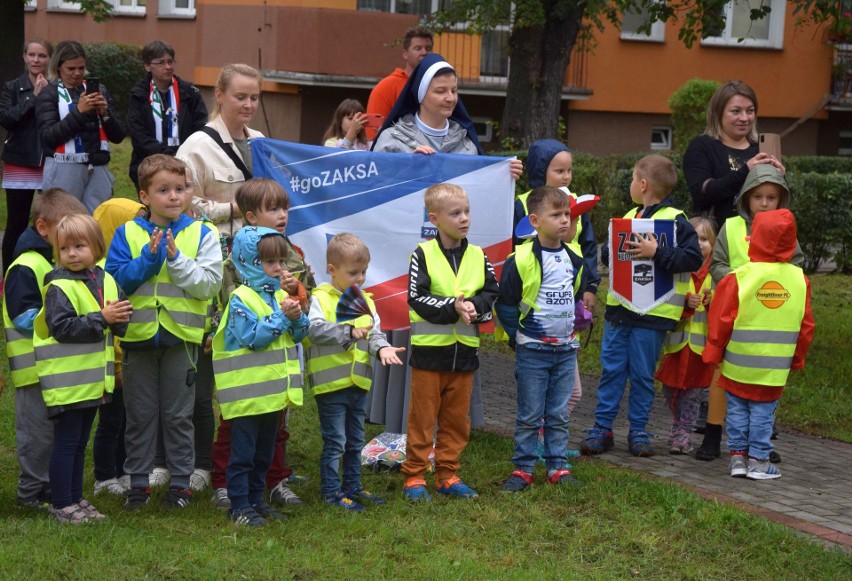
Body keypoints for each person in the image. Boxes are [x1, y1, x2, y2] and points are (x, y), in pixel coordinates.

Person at [369, 52, 521, 433]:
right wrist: (407, 165)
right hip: (405, 255)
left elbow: (479, 195)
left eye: (454, 90)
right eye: (440, 90)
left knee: (450, 325)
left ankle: (450, 423)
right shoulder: (393, 138)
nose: (450, 97)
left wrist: (507, 173)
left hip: (453, 262)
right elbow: (374, 188)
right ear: (421, 94)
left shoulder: (466, 144)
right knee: (411, 320)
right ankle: (398, 421)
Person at [105, 154, 223, 510]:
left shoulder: (203, 233)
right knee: (140, 415)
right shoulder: (126, 233)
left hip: (181, 341)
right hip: (139, 339)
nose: (174, 196)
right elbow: (115, 279)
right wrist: (149, 259)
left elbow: (209, 284)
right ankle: (138, 484)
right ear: (144, 196)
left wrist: (176, 260)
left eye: (181, 189)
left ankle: (181, 484)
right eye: (164, 190)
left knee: (177, 415)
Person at [579, 155, 703, 458]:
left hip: (653, 316)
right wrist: (612, 247)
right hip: (620, 312)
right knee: (612, 372)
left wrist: (656, 251)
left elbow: (692, 259)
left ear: (643, 184)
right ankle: (602, 429)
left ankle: (638, 432)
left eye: (634, 179)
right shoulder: (630, 215)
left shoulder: (677, 221)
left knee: (642, 376)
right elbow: (612, 258)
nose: (632, 184)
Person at [209, 178, 314, 510]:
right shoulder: (240, 285)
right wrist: (284, 316)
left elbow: (299, 325)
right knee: (240, 444)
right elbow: (248, 332)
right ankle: (234, 497)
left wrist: (295, 310)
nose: (279, 268)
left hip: (271, 386)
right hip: (245, 388)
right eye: (272, 263)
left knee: (267, 442)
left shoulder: (279, 277)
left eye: (285, 208)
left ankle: (263, 494)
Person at [696, 164, 804, 462]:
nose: (765, 203)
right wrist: (740, 279)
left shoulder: (785, 229)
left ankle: (760, 443)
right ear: (746, 198)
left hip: (769, 317)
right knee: (722, 375)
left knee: (766, 379)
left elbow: (795, 269)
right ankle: (713, 434)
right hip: (732, 315)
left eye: (772, 197)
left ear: (781, 200)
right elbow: (716, 265)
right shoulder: (731, 227)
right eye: (758, 197)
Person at [402, 183, 498, 501]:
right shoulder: (423, 253)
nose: (464, 218)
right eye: (455, 213)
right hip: (430, 354)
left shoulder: (478, 255)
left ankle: (447, 474)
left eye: (467, 211)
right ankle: (415, 476)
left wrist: (475, 306)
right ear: (435, 218)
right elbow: (417, 298)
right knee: (422, 417)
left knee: (457, 419)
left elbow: (490, 292)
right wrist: (452, 307)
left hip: (465, 353)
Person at [702, 209, 814, 480]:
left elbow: (721, 318)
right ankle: (759, 462)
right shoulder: (800, 280)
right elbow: (806, 326)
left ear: (754, 239)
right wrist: (797, 358)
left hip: (737, 363)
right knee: (763, 414)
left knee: (738, 411)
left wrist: (714, 352)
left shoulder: (738, 277)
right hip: (774, 368)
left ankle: (738, 460)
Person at [34, 213, 132, 523]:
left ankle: (75, 497)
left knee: (78, 443)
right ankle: (62, 503)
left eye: (80, 246)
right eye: (65, 249)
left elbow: (121, 318)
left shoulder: (105, 279)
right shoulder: (59, 286)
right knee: (67, 443)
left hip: (92, 382)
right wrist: (104, 318)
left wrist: (120, 321)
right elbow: (62, 328)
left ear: (97, 247)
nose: (72, 254)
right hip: (67, 383)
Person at [496, 186, 588, 491]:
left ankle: (557, 465)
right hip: (533, 348)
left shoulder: (574, 256)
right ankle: (523, 468)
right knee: (530, 413)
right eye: (556, 215)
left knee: (558, 413)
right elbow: (507, 304)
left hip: (564, 349)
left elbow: (571, 296)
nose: (564, 221)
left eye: (567, 215)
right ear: (534, 220)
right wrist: (517, 336)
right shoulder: (521, 258)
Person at [306, 233, 405, 511]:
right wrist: (347, 330)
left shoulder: (367, 302)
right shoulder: (321, 298)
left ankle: (352, 486)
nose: (360, 278)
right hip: (330, 385)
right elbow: (313, 330)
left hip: (358, 383)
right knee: (335, 441)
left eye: (363, 272)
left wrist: (382, 348)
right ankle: (331, 492)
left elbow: (374, 334)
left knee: (355, 441)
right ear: (332, 270)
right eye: (353, 273)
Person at [3, 189, 87, 509]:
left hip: (54, 369)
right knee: (36, 436)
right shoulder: (26, 265)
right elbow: (23, 316)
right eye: (67, 227)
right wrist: (63, 319)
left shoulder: (56, 262)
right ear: (43, 228)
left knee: (54, 435)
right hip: (34, 371)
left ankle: (51, 488)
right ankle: (30, 493)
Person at [514, 139, 601, 422]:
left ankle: (548, 436)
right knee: (544, 387)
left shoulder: (572, 202)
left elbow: (588, 248)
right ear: (541, 171)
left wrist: (590, 286)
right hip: (537, 307)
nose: (566, 177)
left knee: (566, 388)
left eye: (569, 171)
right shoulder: (522, 203)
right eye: (559, 171)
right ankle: (541, 436)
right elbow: (514, 250)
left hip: (569, 294)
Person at [90, 198, 147, 496]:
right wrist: (114, 363)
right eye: (132, 223)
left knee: (128, 418)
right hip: (111, 362)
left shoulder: (125, 263)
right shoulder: (100, 272)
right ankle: (104, 475)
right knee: (110, 421)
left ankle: (124, 469)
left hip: (130, 354)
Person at [176, 63, 264, 246]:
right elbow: (182, 205)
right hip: (216, 250)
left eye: (254, 98)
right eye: (240, 97)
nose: (248, 105)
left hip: (261, 251)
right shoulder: (196, 147)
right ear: (219, 96)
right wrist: (235, 209)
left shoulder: (260, 141)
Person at [36, 40, 125, 213]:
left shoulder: (100, 90)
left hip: (97, 166)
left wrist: (105, 113)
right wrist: (79, 112)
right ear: (58, 67)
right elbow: (48, 137)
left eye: (81, 68)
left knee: (97, 221)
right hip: (64, 166)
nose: (77, 73)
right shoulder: (49, 93)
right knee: (64, 220)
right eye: (71, 68)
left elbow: (118, 136)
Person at [683, 80, 784, 231]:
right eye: (736, 111)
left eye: (749, 111)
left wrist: (781, 180)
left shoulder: (760, 149)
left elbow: (778, 203)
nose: (744, 118)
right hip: (714, 240)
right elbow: (701, 195)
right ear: (718, 113)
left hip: (758, 238)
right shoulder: (701, 146)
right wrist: (746, 171)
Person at [654, 216, 716, 454]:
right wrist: (685, 305)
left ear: (713, 244)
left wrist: (712, 303)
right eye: (694, 238)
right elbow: (665, 304)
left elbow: (725, 312)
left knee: (692, 393)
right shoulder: (678, 272)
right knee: (670, 389)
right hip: (676, 345)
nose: (699, 244)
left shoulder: (717, 276)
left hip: (702, 349)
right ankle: (679, 426)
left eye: (704, 239)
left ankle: (683, 433)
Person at [1, 38, 53, 278]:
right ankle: (10, 276)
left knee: (49, 221)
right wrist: (33, 96)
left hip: (50, 160)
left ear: (49, 59)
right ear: (24, 57)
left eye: (42, 55)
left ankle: (46, 271)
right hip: (19, 161)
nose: (36, 60)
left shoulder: (56, 85)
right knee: (17, 222)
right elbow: (8, 119)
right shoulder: (12, 87)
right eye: (31, 55)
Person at [126, 40, 208, 189]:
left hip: (184, 163)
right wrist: (167, 155)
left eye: (170, 62)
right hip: (149, 165)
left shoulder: (190, 93)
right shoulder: (139, 95)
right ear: (147, 66)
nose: (168, 67)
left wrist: (182, 155)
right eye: (161, 62)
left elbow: (200, 128)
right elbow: (139, 135)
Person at [366, 26, 433, 122]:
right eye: (418, 48)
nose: (424, 52)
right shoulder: (386, 87)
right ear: (405, 54)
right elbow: (373, 132)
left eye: (428, 48)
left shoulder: (438, 86)